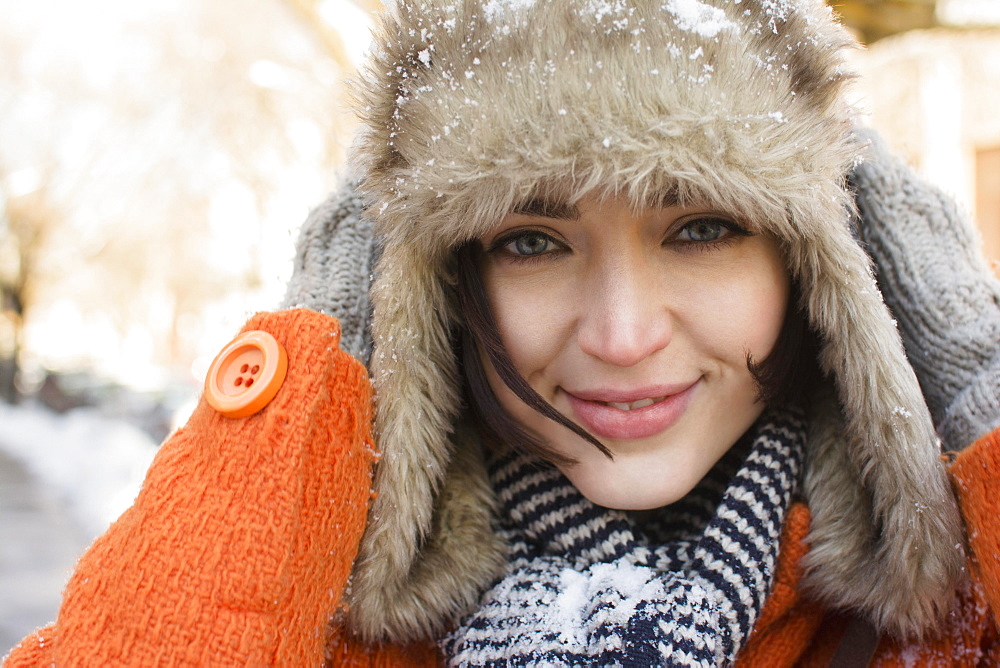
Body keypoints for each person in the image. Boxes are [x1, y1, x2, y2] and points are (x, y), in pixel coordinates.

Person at [5, 0, 1000, 665]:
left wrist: (975, 377)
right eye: (531, 239)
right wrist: (320, 357)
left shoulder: (938, 622)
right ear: (433, 280)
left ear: (818, 266)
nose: (620, 333)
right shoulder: (315, 627)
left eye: (701, 227)